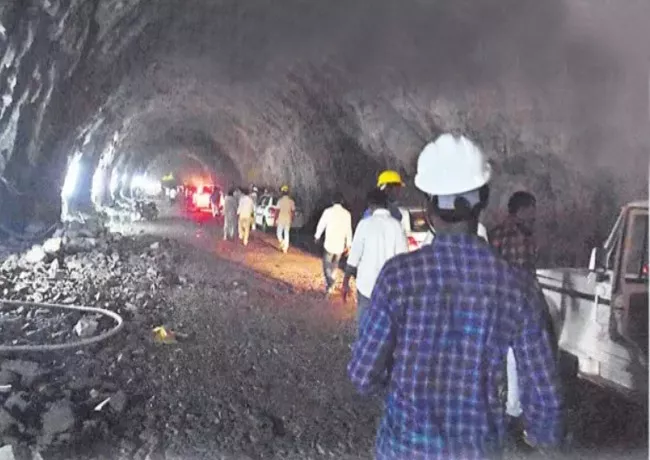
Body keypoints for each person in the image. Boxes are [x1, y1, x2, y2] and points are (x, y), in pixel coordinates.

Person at [348, 133, 564, 460]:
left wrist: (400, 390)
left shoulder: (398, 277)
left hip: (404, 448)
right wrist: (540, 437)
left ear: (428, 206)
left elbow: (362, 374)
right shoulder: (516, 286)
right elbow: (545, 398)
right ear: (484, 199)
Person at [488, 190, 539, 443]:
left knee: (513, 359)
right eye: (531, 209)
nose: (534, 215)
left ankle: (511, 410)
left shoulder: (522, 234)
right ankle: (509, 411)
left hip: (515, 304)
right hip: (510, 304)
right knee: (512, 359)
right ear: (519, 210)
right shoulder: (506, 234)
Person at [342, 188, 408, 333]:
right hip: (390, 288)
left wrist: (345, 282)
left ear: (370, 205)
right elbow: (403, 261)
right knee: (388, 329)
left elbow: (354, 257)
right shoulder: (396, 226)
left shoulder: (364, 224)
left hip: (366, 286)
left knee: (364, 326)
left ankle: (364, 350)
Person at [314, 192, 353, 295]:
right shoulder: (347, 214)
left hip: (329, 243)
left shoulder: (328, 212)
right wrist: (349, 244)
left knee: (326, 265)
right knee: (335, 265)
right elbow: (349, 230)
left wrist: (317, 236)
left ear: (332, 201)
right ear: (342, 201)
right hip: (340, 244)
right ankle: (331, 284)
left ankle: (330, 283)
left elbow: (321, 224)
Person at [489, 191, 538, 273]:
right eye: (532, 210)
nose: (534, 216)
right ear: (522, 210)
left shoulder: (527, 233)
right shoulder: (500, 235)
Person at [276, 185, 296, 253]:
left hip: (281, 219)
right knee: (286, 233)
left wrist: (275, 219)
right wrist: (292, 218)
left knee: (279, 233)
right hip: (288, 219)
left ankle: (283, 243)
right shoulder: (291, 201)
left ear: (282, 193)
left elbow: (277, 211)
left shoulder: (280, 201)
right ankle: (285, 248)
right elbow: (293, 211)